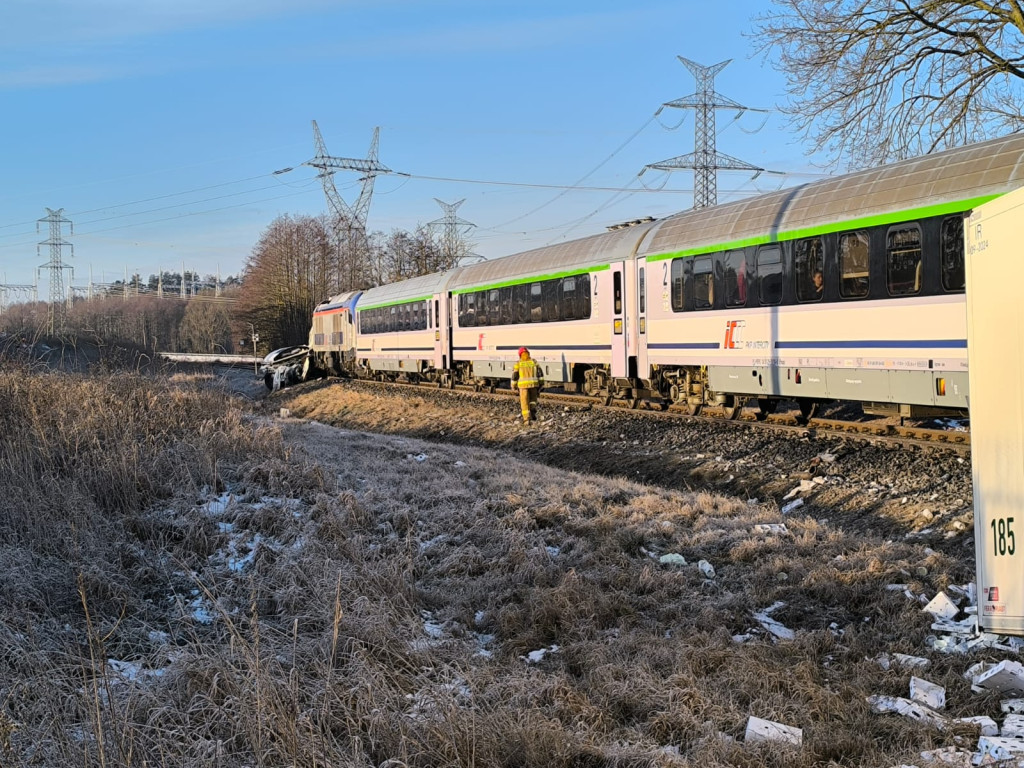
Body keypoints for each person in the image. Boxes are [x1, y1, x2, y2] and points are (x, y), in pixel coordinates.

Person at [511, 346, 543, 423]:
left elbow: (515, 376)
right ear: (528, 353)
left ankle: (526, 419)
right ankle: (532, 410)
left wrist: (513, 385)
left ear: (520, 354)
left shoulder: (518, 363)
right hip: (534, 385)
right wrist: (541, 384)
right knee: (533, 400)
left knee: (524, 402)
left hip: (523, 386)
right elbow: (540, 373)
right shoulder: (534, 362)